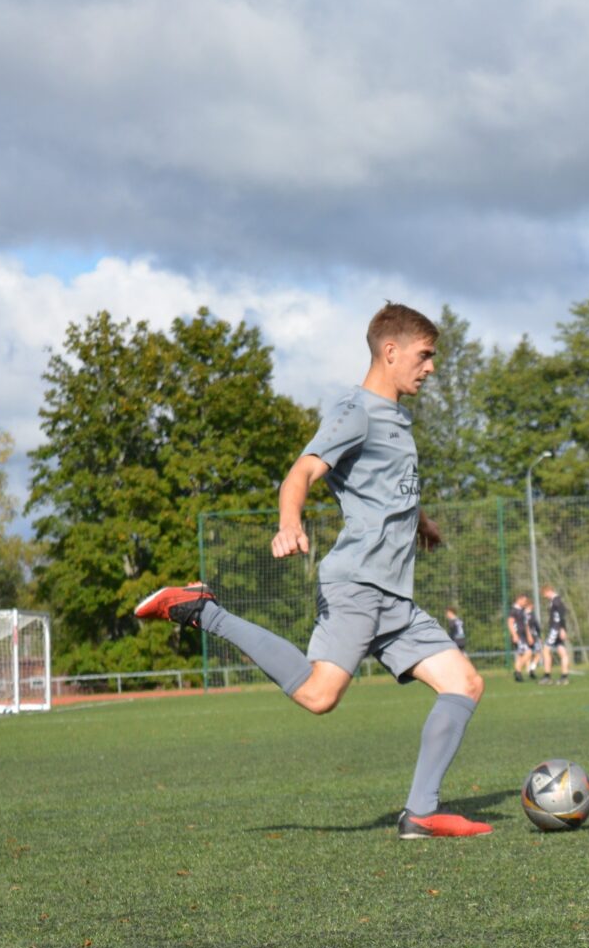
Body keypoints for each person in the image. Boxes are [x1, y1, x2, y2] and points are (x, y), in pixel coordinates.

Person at [135, 303, 492, 840]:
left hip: (393, 596)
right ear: (389, 351)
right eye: (424, 355)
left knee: (464, 683)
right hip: (357, 585)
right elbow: (300, 473)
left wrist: (422, 523)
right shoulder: (356, 411)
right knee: (320, 696)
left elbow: (386, 488)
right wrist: (289, 522)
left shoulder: (396, 417)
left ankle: (421, 813)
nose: (431, 367)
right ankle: (201, 610)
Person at [539, 584, 570, 685]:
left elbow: (561, 615)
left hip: (555, 629)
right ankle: (564, 677)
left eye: (544, 594)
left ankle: (547, 676)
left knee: (545, 650)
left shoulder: (556, 601)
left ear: (548, 591)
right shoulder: (555, 600)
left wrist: (562, 629)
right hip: (557, 629)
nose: (545, 597)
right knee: (562, 652)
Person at [507, 593, 531, 681]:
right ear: (519, 599)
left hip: (523, 636)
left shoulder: (522, 610)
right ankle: (517, 671)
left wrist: (529, 635)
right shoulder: (513, 610)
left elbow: (525, 624)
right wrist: (514, 635)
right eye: (524, 601)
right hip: (518, 636)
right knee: (528, 652)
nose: (525, 602)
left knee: (520, 655)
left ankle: (518, 675)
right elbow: (510, 623)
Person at [524, 599, 543, 678]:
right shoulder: (531, 615)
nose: (533, 606)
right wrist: (539, 636)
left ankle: (528, 670)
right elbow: (536, 626)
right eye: (532, 604)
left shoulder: (522, 614)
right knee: (539, 652)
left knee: (528, 653)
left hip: (524, 636)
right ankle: (532, 668)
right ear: (529, 605)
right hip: (533, 636)